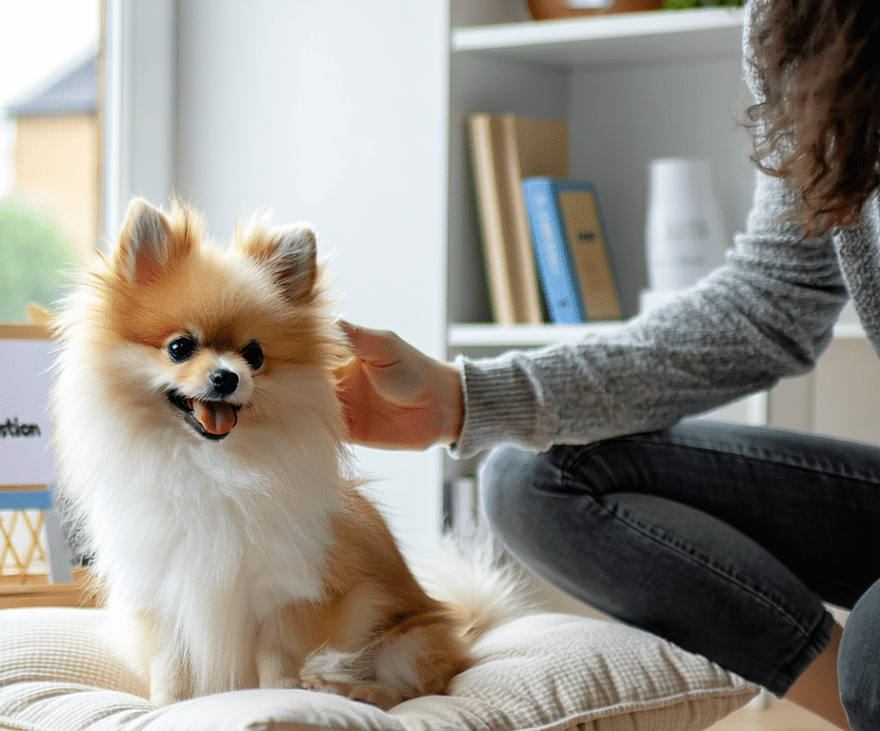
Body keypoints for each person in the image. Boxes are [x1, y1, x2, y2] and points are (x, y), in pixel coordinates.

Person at [334, 1, 880, 729]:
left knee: (876, 653)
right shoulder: (800, 20)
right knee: (537, 473)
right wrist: (462, 398)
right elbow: (771, 298)